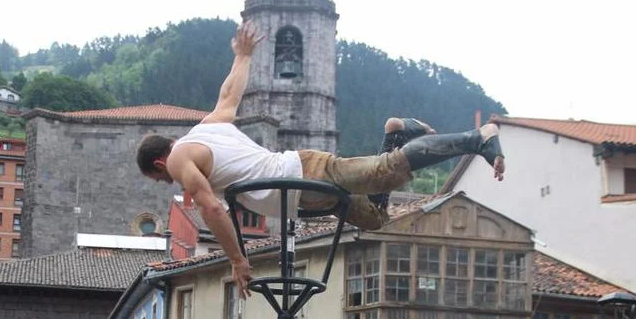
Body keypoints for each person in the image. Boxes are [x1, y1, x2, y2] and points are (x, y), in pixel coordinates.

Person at [135, 23, 505, 294]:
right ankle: (395, 134)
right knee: (374, 218)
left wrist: (237, 260)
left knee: (387, 171)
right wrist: (243, 56)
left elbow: (212, 209)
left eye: (157, 178)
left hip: (303, 173)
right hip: (305, 194)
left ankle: (477, 138)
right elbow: (229, 96)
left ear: (158, 164)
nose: (166, 182)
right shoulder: (206, 128)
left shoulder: (180, 158)